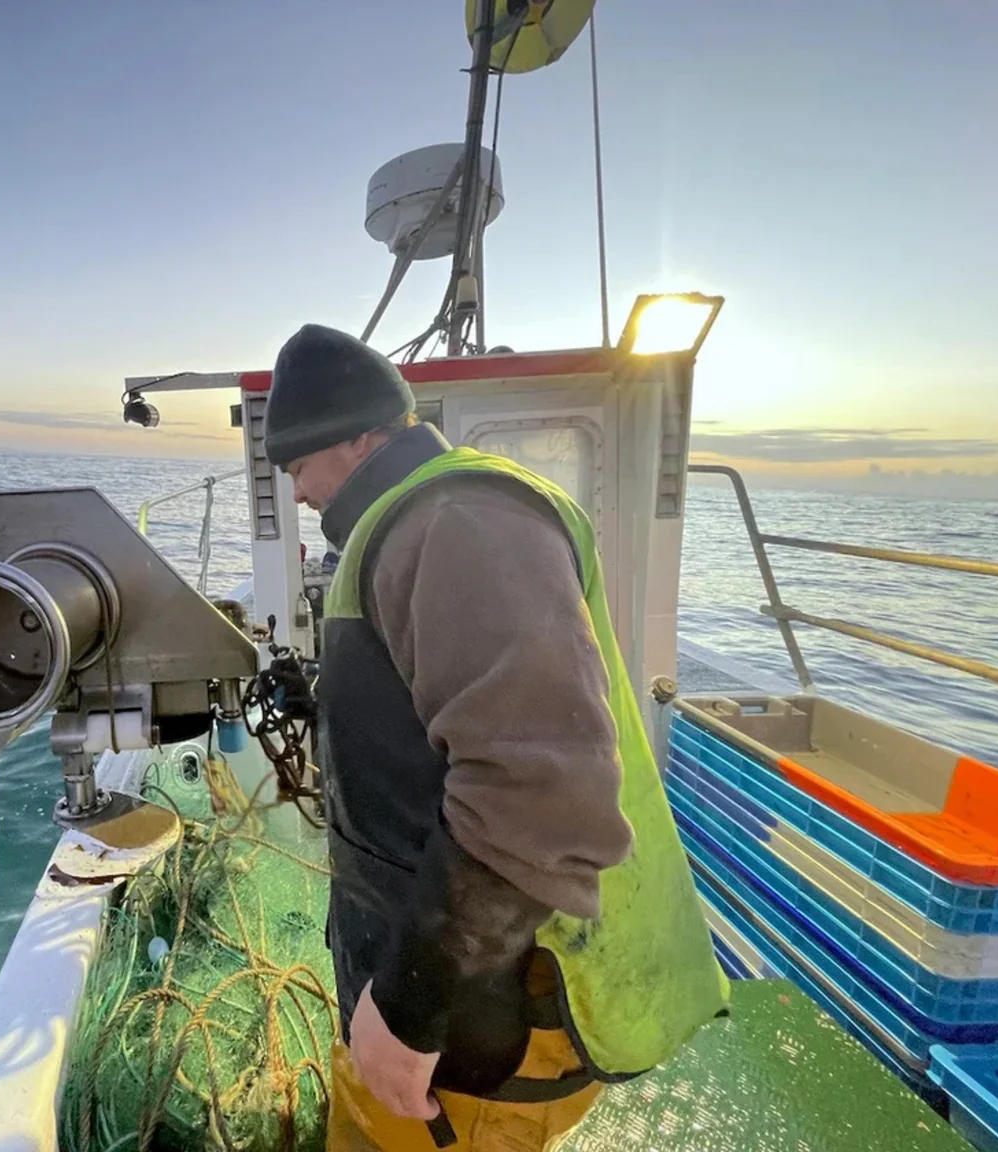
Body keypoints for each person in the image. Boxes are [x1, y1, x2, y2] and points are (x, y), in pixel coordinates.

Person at [262, 324, 730, 1152]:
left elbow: (539, 798)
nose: (297, 493)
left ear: (358, 438)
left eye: (299, 467)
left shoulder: (452, 519)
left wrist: (407, 1012)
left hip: (478, 1023)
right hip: (449, 1000)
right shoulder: (413, 523)